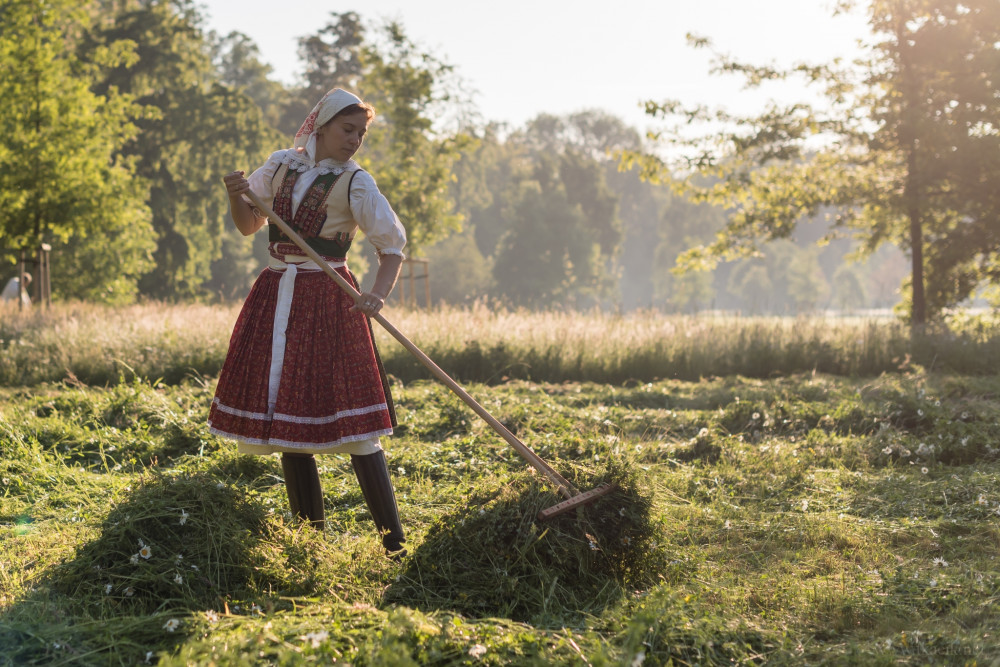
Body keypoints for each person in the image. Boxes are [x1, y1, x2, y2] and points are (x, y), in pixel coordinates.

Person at [208, 88, 408, 557]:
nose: (355, 139)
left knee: (359, 430)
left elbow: (392, 247)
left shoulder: (357, 183)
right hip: (276, 292)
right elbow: (247, 224)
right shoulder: (281, 164)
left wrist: (376, 295)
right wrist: (237, 195)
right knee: (288, 426)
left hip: (330, 299)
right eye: (347, 129)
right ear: (320, 125)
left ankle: (395, 546)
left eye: (361, 133)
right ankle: (309, 544)